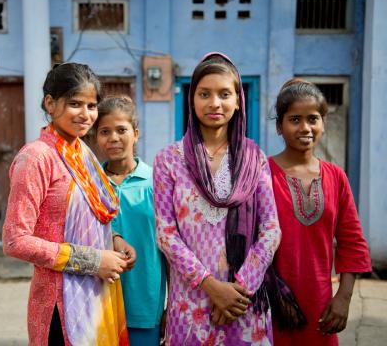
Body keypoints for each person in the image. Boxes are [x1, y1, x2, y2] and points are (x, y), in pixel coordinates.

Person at [153, 52, 281, 345]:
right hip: (192, 301)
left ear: (238, 101)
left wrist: (240, 288)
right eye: (204, 94)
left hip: (243, 302)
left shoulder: (254, 159)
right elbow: (166, 234)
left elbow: (271, 229)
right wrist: (212, 287)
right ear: (191, 99)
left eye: (225, 94)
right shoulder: (169, 160)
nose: (214, 103)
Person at [2, 62, 135, 346]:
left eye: (92, 105)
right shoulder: (37, 158)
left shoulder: (81, 153)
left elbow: (85, 220)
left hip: (96, 297)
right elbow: (15, 240)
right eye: (76, 104)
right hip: (58, 305)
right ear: (50, 103)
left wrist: (113, 241)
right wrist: (93, 260)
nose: (86, 115)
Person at [269, 78, 372, 346]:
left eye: (313, 118)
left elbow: (353, 242)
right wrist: (273, 295)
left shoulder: (336, 177)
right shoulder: (261, 174)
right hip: (271, 306)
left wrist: (343, 298)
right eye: (294, 119)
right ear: (279, 126)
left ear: (323, 123)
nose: (305, 127)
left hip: (321, 308)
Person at [95, 95, 167, 345]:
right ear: (96, 137)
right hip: (98, 302)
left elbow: (171, 249)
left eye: (121, 130)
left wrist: (172, 304)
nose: (113, 138)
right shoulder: (90, 184)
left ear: (135, 133)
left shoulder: (156, 182)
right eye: (105, 131)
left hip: (145, 304)